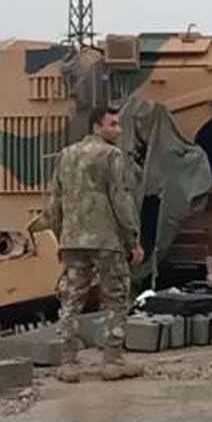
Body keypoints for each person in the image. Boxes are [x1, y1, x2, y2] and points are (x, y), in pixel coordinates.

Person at [42, 106, 145, 383]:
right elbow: (120, 200)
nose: (118, 130)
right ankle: (113, 360)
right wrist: (132, 238)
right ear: (97, 127)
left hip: (72, 239)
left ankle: (68, 363)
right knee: (116, 296)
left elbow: (54, 201)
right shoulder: (111, 155)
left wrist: (60, 235)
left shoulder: (66, 155)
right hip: (105, 239)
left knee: (72, 298)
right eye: (112, 124)